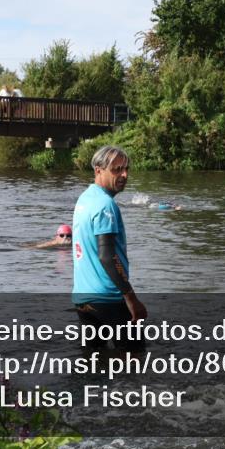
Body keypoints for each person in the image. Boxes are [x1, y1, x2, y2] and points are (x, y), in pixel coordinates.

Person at [72, 145, 147, 352]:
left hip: (83, 298)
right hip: (108, 298)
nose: (124, 174)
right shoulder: (106, 205)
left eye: (126, 168)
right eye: (116, 169)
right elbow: (107, 256)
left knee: (93, 359)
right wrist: (131, 298)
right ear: (98, 170)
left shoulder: (85, 199)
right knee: (135, 360)